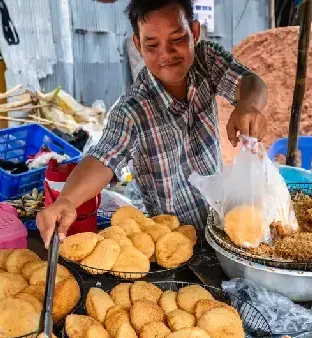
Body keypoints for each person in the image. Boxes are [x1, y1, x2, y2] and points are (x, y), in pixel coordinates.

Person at [37, 0, 268, 246]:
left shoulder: (206, 61)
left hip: (222, 226)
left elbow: (250, 82)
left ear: (195, 32)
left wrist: (248, 104)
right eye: (152, 45)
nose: (166, 54)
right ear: (138, 45)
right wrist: (67, 200)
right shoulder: (133, 110)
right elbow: (103, 158)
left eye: (177, 39)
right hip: (174, 245)